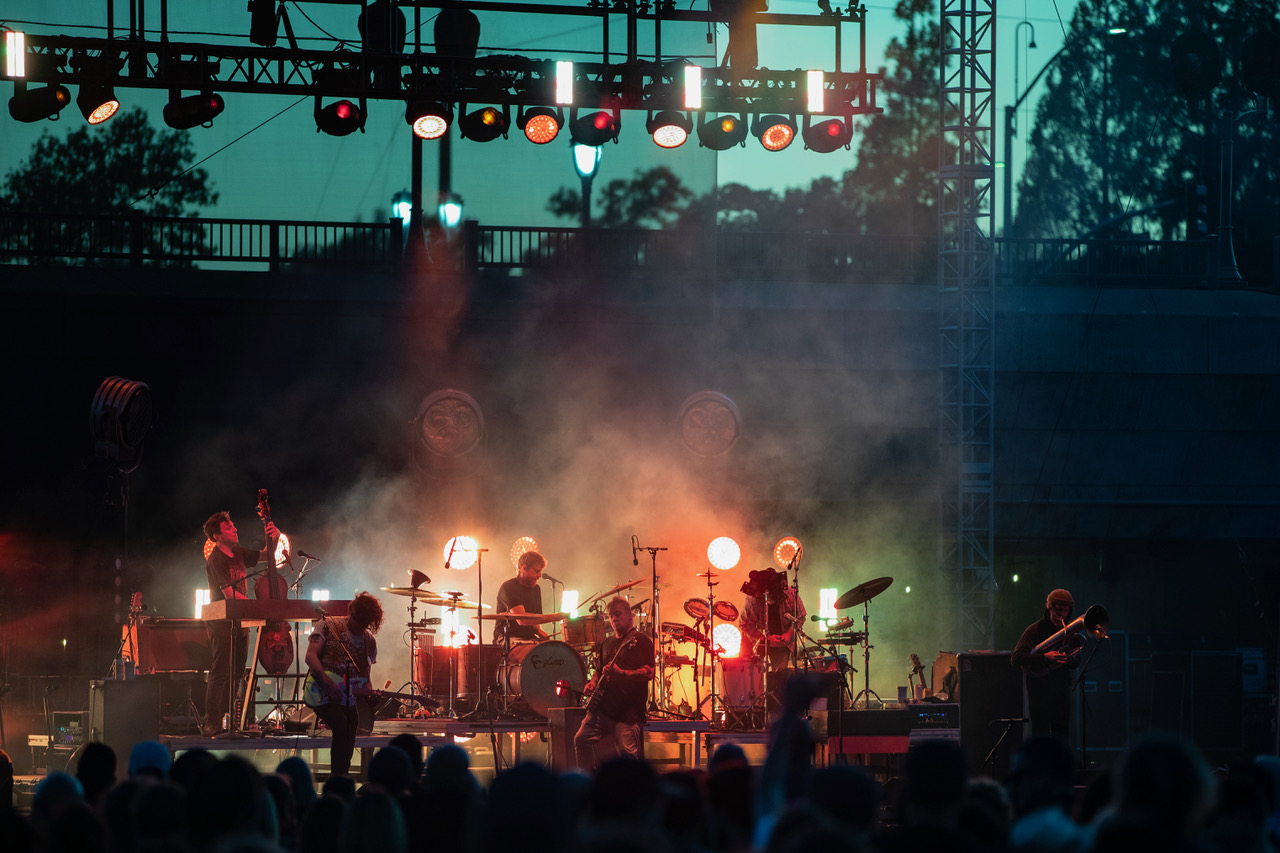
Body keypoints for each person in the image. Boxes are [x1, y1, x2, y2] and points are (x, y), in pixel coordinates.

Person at [202, 510, 279, 737]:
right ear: (217, 536)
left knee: (237, 672)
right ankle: (212, 722)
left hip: (240, 621)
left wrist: (273, 538)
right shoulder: (216, 559)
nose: (235, 529)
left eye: (233, 526)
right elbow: (230, 595)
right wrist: (260, 607)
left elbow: (267, 556)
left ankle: (230, 720)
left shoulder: (238, 552)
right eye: (229, 528)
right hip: (222, 622)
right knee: (220, 671)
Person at [304, 590, 384, 776]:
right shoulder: (328, 625)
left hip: (347, 697)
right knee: (341, 725)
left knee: (351, 727)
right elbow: (310, 656)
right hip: (321, 690)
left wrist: (369, 694)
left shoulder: (368, 640)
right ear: (352, 613)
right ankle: (338, 779)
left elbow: (365, 675)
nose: (360, 627)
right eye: (358, 621)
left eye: (365, 623)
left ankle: (341, 775)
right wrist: (328, 683)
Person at [573, 596, 655, 770]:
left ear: (629, 614)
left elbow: (649, 672)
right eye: (611, 616)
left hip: (627, 711)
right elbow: (598, 670)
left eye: (617, 614)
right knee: (580, 739)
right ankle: (588, 782)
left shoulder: (640, 641)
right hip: (603, 707)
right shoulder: (607, 642)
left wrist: (622, 673)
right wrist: (592, 683)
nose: (614, 619)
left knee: (627, 757)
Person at [1011, 588, 1084, 739]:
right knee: (1040, 736)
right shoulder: (1034, 630)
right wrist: (1045, 657)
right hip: (1039, 692)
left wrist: (1068, 659)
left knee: (1062, 735)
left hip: (1061, 691)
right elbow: (1016, 658)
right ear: (1049, 607)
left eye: (1065, 611)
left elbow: (1076, 662)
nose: (1062, 615)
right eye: (1058, 610)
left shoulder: (1070, 632)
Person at [739, 567, 806, 671]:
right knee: (750, 675)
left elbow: (800, 617)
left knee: (780, 676)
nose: (770, 599)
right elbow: (745, 625)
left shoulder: (791, 594)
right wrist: (766, 640)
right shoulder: (752, 598)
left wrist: (789, 634)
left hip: (782, 640)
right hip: (755, 639)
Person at [493, 550, 550, 644]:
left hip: (528, 638)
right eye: (537, 571)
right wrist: (556, 617)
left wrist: (539, 631)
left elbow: (536, 620)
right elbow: (522, 620)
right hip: (507, 638)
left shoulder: (536, 589)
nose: (540, 575)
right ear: (524, 568)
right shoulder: (509, 587)